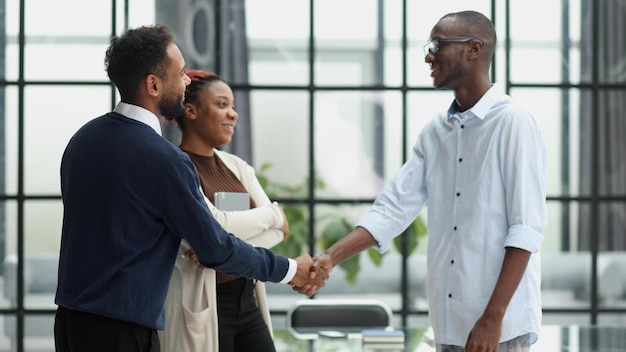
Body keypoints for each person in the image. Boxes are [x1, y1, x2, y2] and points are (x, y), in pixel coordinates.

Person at [54, 24, 324, 352]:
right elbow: (217, 247)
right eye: (180, 73)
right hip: (122, 330)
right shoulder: (165, 159)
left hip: (70, 322)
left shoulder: (82, 140)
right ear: (153, 84)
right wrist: (291, 269)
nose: (186, 81)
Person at [308, 10, 547, 352]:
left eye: (438, 44)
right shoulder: (436, 132)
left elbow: (527, 228)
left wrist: (492, 317)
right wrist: (331, 256)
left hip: (499, 329)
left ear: (474, 49)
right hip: (448, 325)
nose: (428, 54)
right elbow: (392, 209)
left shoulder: (514, 123)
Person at [159, 70, 288, 352]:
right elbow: (217, 225)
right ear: (191, 110)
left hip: (247, 298)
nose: (233, 114)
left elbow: (279, 231)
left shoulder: (237, 167)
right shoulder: (177, 167)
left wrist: (223, 254)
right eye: (221, 105)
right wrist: (273, 213)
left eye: (233, 106)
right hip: (204, 303)